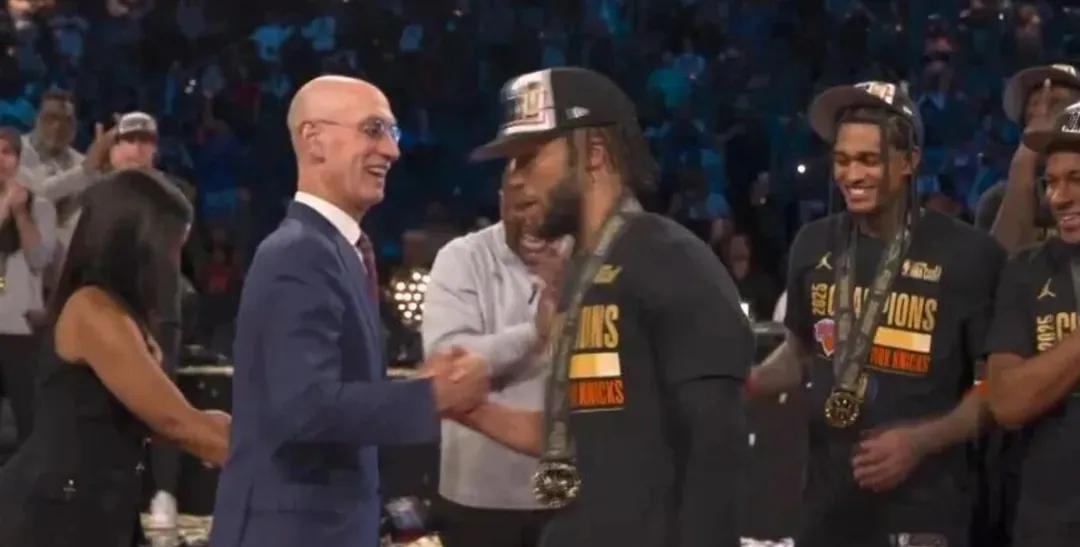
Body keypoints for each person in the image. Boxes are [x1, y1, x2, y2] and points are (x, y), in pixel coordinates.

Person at [459, 67, 753, 547]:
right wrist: (469, 409)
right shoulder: (580, 272)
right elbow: (588, 432)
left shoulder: (670, 258)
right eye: (510, 163)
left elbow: (716, 447)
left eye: (529, 157)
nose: (515, 178)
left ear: (594, 153)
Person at [210, 75, 489, 547]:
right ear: (314, 140)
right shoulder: (298, 253)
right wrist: (431, 397)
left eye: (392, 133)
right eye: (373, 129)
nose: (392, 151)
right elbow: (304, 408)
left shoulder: (336, 249)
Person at [747, 81, 1005, 546]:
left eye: (868, 159)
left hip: (925, 508)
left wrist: (921, 441)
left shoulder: (970, 255)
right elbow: (800, 352)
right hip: (827, 506)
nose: (852, 175)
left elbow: (996, 388)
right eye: (842, 160)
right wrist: (745, 384)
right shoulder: (812, 243)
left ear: (909, 161)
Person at [0, 169, 230, 546]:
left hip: (96, 504)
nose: (175, 264)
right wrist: (269, 462)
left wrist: (223, 429)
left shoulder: (120, 312)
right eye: (171, 247)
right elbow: (172, 420)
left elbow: (153, 415)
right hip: (54, 515)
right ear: (135, 244)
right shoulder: (94, 311)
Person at [423, 167, 565, 547]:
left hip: (565, 494)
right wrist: (533, 333)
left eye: (544, 204)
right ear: (502, 202)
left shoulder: (583, 258)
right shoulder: (462, 258)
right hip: (480, 499)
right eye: (522, 204)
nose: (534, 217)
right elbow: (446, 365)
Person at [984, 100, 1080, 546]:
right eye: (1051, 182)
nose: (1059, 198)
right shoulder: (1026, 270)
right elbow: (1006, 402)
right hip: (1049, 521)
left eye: (1076, 179)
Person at [979, 64, 1080, 251]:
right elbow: (999, 262)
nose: (1043, 112)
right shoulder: (997, 200)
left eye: (1056, 103)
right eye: (1033, 106)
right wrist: (1029, 147)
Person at [0, 127, 56, 448]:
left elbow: (39, 259)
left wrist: (20, 212)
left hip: (21, 328)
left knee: (28, 422)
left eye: (7, 152)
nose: (0, 159)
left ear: (19, 159)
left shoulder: (41, 207)